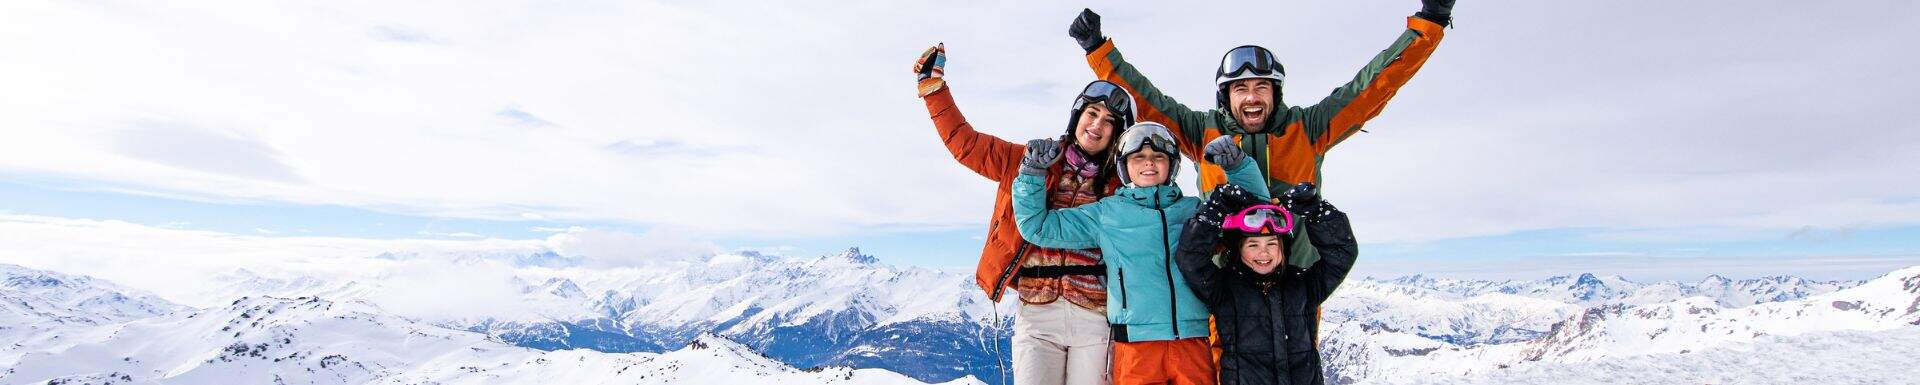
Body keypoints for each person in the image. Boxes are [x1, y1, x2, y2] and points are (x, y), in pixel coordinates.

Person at [1065, 0, 1454, 214]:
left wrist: (1429, 21)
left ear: (1275, 94)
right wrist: (1100, 50)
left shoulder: (1309, 128)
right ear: (1226, 97)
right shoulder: (1203, 132)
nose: (1252, 97)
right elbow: (1146, 99)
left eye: (1261, 87)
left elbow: (1372, 87)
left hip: (1294, 282)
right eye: (1241, 89)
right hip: (1222, 284)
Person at [914, 43, 1135, 385]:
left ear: (1118, 134)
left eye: (1109, 121)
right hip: (1037, 311)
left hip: (1094, 314)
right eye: (1091, 114)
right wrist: (934, 91)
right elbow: (967, 145)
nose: (1097, 125)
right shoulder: (1027, 161)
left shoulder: (1121, 185)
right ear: (1077, 116)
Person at [1012, 122, 1269, 385]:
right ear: (1124, 166)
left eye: (1159, 157)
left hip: (1191, 340)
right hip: (1135, 346)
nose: (1149, 163)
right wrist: (1031, 174)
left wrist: (1238, 167)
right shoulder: (1107, 213)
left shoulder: (1194, 211)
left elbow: (1258, 216)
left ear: (1172, 165)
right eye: (1139, 157)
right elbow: (1038, 227)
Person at [1175, 183, 1359, 385]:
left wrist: (1317, 211)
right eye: (1253, 245)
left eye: (1272, 243)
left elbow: (1341, 254)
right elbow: (1191, 260)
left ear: (1283, 248)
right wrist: (1213, 211)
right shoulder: (1224, 288)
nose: (1264, 253)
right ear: (1238, 250)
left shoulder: (1303, 284)